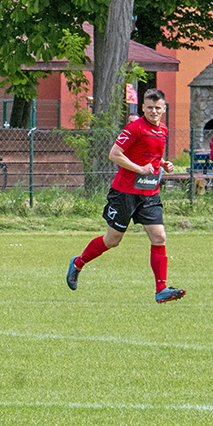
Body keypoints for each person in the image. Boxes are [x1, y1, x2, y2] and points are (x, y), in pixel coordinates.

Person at [67, 89, 186, 304]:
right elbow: (114, 154)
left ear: (164, 109)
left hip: (149, 193)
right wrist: (139, 168)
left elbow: (152, 156)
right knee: (113, 240)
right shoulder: (135, 128)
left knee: (159, 237)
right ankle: (78, 263)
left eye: (158, 108)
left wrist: (164, 164)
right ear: (143, 107)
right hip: (125, 193)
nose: (154, 111)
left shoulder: (163, 130)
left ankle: (161, 289)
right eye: (149, 107)